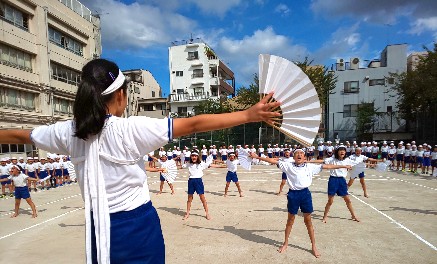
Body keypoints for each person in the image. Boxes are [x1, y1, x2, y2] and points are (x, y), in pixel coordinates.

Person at [0, 58, 280, 264]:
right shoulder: (132, 129)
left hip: (98, 229)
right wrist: (248, 114)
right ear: (121, 95)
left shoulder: (66, 130)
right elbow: (193, 124)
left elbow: (18, 134)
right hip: (137, 227)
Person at [250, 149, 351, 258]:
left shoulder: (310, 166)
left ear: (304, 157)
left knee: (308, 221)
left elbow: (327, 166)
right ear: (294, 157)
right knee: (290, 220)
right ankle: (286, 243)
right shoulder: (288, 165)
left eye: (301, 153)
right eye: (297, 153)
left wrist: (344, 166)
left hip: (305, 194)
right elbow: (272, 161)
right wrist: (257, 157)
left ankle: (313, 246)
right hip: (293, 195)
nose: (299, 154)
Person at [318, 146, 360, 223]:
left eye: (343, 151)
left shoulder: (347, 160)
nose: (342, 152)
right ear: (337, 152)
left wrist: (375, 164)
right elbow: (321, 161)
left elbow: (360, 163)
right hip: (333, 180)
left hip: (342, 181)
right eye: (340, 150)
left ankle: (353, 215)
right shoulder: (332, 159)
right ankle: (324, 217)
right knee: (330, 201)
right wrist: (306, 161)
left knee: (348, 200)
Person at [181, 150, 223, 220]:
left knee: (202, 198)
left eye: (195, 156)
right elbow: (181, 167)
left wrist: (222, 166)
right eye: (192, 156)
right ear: (191, 157)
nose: (194, 157)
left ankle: (207, 213)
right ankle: (187, 213)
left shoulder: (201, 164)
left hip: (198, 181)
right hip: (191, 181)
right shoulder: (188, 164)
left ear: (197, 157)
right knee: (189, 198)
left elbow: (211, 165)